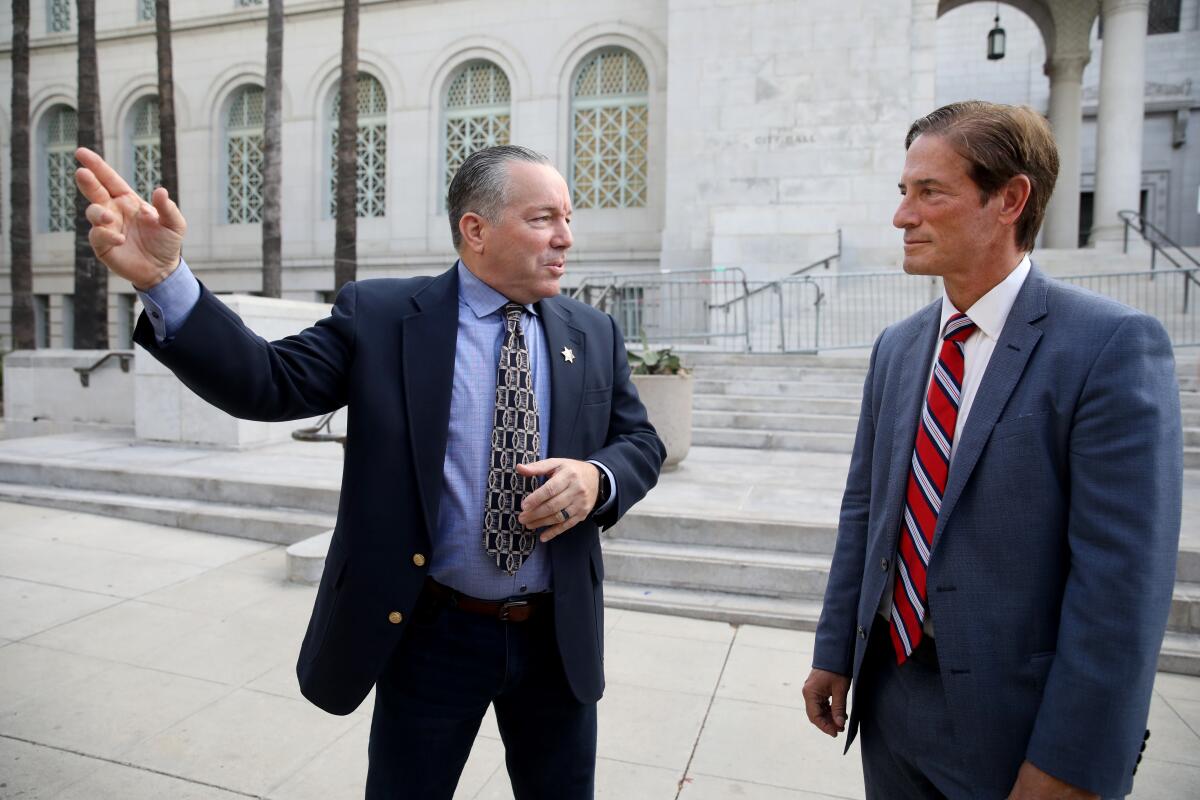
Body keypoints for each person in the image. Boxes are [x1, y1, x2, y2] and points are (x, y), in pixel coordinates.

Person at [75, 144, 665, 799]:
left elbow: (638, 441)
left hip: (558, 639)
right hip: (430, 635)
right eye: (543, 219)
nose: (566, 238)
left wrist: (597, 478)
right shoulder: (383, 317)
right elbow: (269, 383)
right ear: (476, 230)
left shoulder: (593, 331)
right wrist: (166, 283)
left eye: (568, 219)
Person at [801, 101, 1182, 799]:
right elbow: (867, 511)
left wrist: (1072, 760)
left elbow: (1123, 586)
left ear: (1009, 199)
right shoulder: (897, 347)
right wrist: (836, 652)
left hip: (1019, 727)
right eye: (903, 192)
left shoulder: (1108, 347)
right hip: (890, 699)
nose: (902, 216)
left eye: (930, 193)